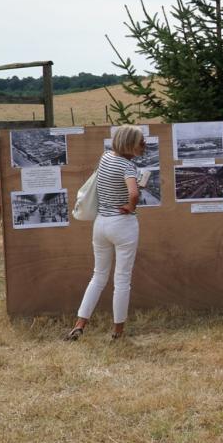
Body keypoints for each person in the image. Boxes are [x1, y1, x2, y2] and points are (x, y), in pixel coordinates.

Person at [65, 125, 146, 341]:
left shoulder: (105, 157)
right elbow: (134, 193)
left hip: (101, 224)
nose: (143, 145)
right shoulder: (128, 167)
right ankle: (117, 331)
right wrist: (130, 205)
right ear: (130, 144)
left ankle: (79, 325)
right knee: (122, 280)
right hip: (123, 225)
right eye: (140, 142)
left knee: (98, 276)